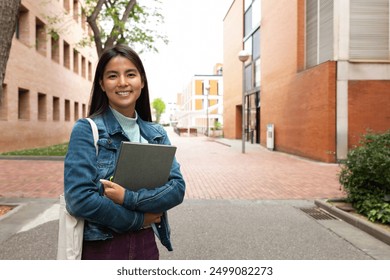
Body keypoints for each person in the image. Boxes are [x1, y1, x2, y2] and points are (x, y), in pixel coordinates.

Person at [64, 44, 185, 260]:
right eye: (112, 76)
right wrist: (139, 219)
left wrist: (127, 197)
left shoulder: (156, 134)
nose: (122, 82)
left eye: (130, 74)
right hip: (103, 248)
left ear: (142, 81)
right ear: (101, 84)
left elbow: (176, 189)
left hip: (146, 246)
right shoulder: (87, 130)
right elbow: (79, 199)